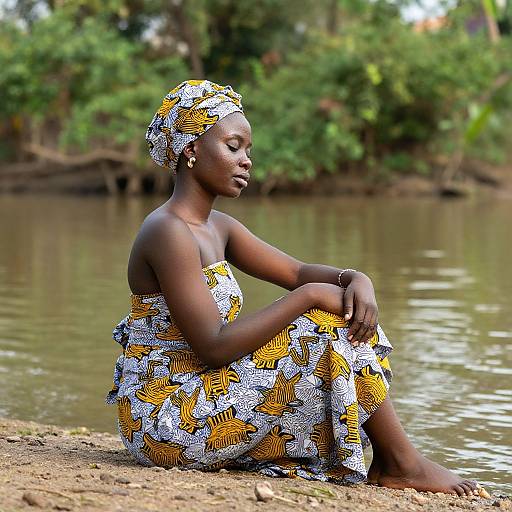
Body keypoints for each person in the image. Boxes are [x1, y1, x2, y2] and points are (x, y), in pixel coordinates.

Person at [107, 79, 476, 496]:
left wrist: (355, 278)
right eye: (233, 146)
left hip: (205, 391)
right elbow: (213, 345)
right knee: (320, 321)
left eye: (248, 150)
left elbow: (298, 272)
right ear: (191, 150)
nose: (246, 160)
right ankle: (400, 462)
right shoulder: (167, 231)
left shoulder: (218, 227)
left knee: (336, 313)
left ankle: (397, 460)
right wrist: (313, 297)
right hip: (166, 417)